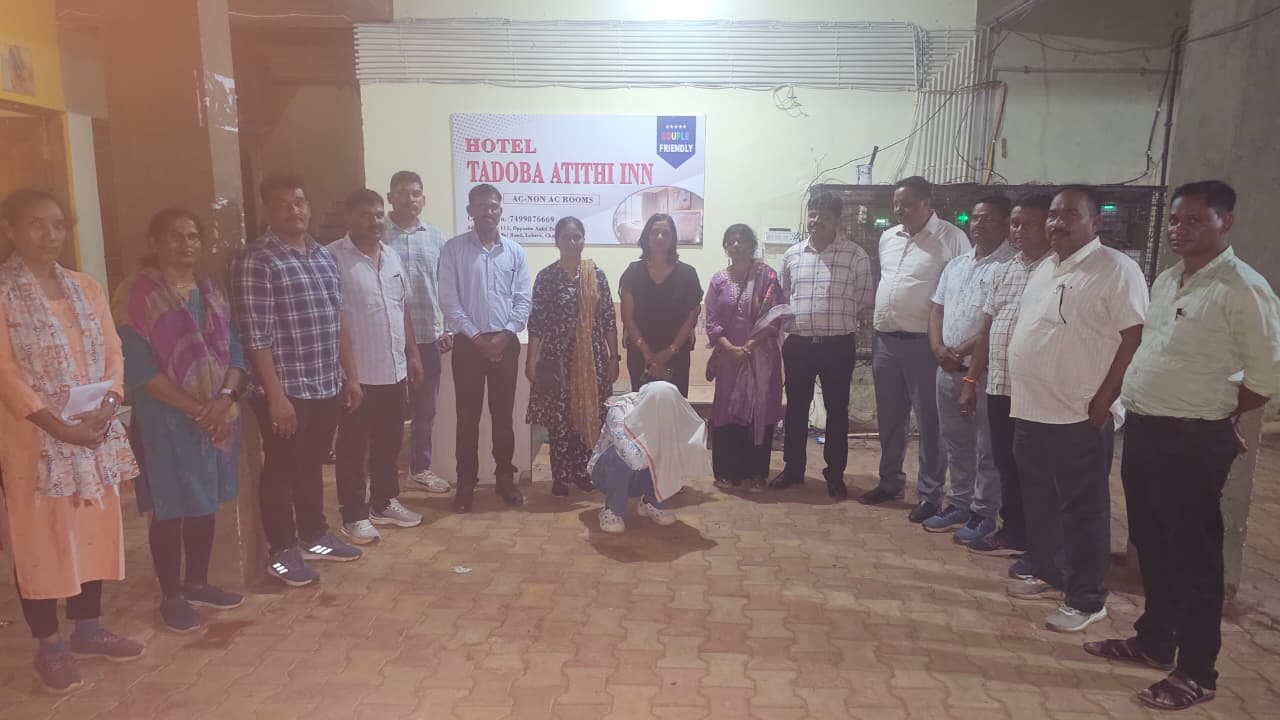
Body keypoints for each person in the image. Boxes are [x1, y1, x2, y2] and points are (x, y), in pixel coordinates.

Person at [1086, 181, 1280, 710]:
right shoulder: (1169, 278)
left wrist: (1223, 414)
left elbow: (1267, 376)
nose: (1179, 229)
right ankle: (1155, 640)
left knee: (1195, 556)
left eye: (1194, 220)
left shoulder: (1243, 288)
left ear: (1225, 222)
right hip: (1147, 429)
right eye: (1174, 220)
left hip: (1193, 438)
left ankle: (1197, 671)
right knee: (1154, 544)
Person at [0, 188, 144, 694]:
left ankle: (88, 629)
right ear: (10, 230)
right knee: (38, 541)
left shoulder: (86, 288)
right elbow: (4, 372)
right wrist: (57, 426)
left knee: (91, 530)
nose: (49, 235)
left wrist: (109, 404)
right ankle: (50, 646)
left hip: (92, 433)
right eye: (35, 224)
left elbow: (113, 351)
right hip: (33, 440)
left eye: (58, 225)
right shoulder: (3, 293)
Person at [1004, 186, 1148, 633]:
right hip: (1032, 410)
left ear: (1095, 222)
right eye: (1052, 214)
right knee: (1040, 504)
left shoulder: (1116, 269)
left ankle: (1087, 599)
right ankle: (1050, 572)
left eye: (1070, 214)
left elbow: (1134, 338)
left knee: (1083, 510)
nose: (1057, 222)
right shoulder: (1046, 267)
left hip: (1079, 415)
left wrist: (1105, 399)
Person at [113, 208, 247, 633]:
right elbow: (140, 369)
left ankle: (198, 584)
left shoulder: (210, 291)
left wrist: (224, 399)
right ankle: (171, 595)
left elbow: (236, 349)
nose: (185, 244)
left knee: (205, 500)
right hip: (164, 419)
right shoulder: (137, 295)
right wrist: (198, 410)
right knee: (170, 507)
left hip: (216, 415)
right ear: (154, 243)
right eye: (174, 235)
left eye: (192, 236)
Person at [231, 173, 364, 588]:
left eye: (300, 202)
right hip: (286, 389)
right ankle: (282, 552)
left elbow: (338, 320)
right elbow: (255, 336)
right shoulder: (257, 260)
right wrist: (275, 397)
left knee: (311, 464)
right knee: (282, 468)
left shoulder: (323, 256)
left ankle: (315, 537)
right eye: (284, 204)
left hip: (325, 383)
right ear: (268, 210)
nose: (295, 210)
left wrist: (350, 376)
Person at [859, 177, 969, 513]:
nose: (899, 209)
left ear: (926, 203)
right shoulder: (888, 237)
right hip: (886, 341)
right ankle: (890, 482)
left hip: (925, 344)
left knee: (930, 421)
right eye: (896, 203)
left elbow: (961, 291)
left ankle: (930, 494)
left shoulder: (952, 238)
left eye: (906, 203)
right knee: (890, 419)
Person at [960, 193, 1054, 561]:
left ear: (1048, 226)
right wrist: (971, 381)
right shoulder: (1005, 270)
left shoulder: (1057, 271)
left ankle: (1042, 544)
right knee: (1006, 463)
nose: (1019, 230)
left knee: (1037, 470)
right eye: (1015, 223)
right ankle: (1014, 532)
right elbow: (987, 331)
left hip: (1037, 391)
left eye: (1028, 224)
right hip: (1000, 385)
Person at [330, 189, 425, 545]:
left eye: (378, 214)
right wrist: (350, 375)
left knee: (389, 443)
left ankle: (384, 503)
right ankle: (354, 515)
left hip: (393, 369)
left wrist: (412, 354)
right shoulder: (333, 258)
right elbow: (335, 319)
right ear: (349, 218)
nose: (374, 221)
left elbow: (402, 308)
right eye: (365, 215)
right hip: (357, 375)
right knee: (354, 449)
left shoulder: (392, 256)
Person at [923, 196, 1016, 541]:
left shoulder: (1010, 267)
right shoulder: (956, 265)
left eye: (988, 219)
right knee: (955, 443)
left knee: (986, 448)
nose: (978, 224)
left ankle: (984, 512)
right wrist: (937, 348)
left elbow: (996, 324)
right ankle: (959, 503)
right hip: (946, 369)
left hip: (984, 373)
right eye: (975, 218)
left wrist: (961, 350)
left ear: (1005, 223)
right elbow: (937, 309)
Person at [772, 192, 874, 498]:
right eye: (812, 214)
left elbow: (864, 300)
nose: (816, 221)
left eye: (824, 216)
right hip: (799, 345)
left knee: (837, 411)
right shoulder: (792, 255)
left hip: (837, 346)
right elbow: (783, 296)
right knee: (796, 409)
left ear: (837, 220)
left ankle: (835, 474)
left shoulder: (855, 255)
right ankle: (793, 468)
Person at [438, 183, 532, 512]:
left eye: (493, 206)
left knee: (503, 416)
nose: (487, 211)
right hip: (469, 346)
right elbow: (449, 302)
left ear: (500, 210)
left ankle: (505, 478)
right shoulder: (453, 250)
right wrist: (478, 338)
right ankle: (466, 483)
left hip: (505, 344)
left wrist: (504, 336)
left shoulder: (515, 252)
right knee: (468, 417)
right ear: (470, 211)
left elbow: (522, 300)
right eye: (480, 206)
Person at [525, 217, 620, 496]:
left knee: (587, 412)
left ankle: (583, 472)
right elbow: (537, 323)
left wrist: (614, 357)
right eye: (566, 237)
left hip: (592, 359)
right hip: (556, 360)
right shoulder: (546, 277)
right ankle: (561, 475)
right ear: (557, 242)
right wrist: (531, 360)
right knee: (560, 418)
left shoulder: (596, 275)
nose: (572, 242)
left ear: (583, 239)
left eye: (577, 236)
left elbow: (608, 320)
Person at [705, 224, 789, 492]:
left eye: (741, 241)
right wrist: (731, 348)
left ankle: (756, 473)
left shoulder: (768, 277)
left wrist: (749, 346)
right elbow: (711, 321)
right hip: (729, 360)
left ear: (752, 245)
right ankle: (727, 471)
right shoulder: (718, 280)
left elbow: (776, 316)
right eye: (731, 241)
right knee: (727, 411)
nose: (736, 245)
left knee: (759, 410)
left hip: (761, 359)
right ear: (726, 247)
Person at [384, 170, 453, 495]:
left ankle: (420, 469)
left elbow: (445, 286)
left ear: (423, 199)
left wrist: (447, 327)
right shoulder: (378, 235)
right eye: (402, 192)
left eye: (415, 193)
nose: (410, 199)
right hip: (388, 339)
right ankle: (385, 475)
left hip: (428, 337)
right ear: (390, 198)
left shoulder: (436, 237)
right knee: (388, 410)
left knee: (426, 408)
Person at [587, 381, 712, 533]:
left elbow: (690, 441)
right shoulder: (620, 411)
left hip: (641, 474)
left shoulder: (666, 411)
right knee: (618, 455)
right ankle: (612, 509)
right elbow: (633, 460)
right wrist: (662, 449)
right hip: (606, 472)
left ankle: (651, 501)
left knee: (669, 449)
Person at [619, 214, 704, 397]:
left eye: (665, 233)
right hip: (640, 355)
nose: (659, 237)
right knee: (643, 407)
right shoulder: (633, 272)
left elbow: (691, 318)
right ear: (646, 237)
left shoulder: (688, 274)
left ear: (673, 238)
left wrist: (669, 352)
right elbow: (627, 317)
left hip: (676, 355)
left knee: (673, 407)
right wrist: (648, 354)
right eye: (654, 232)